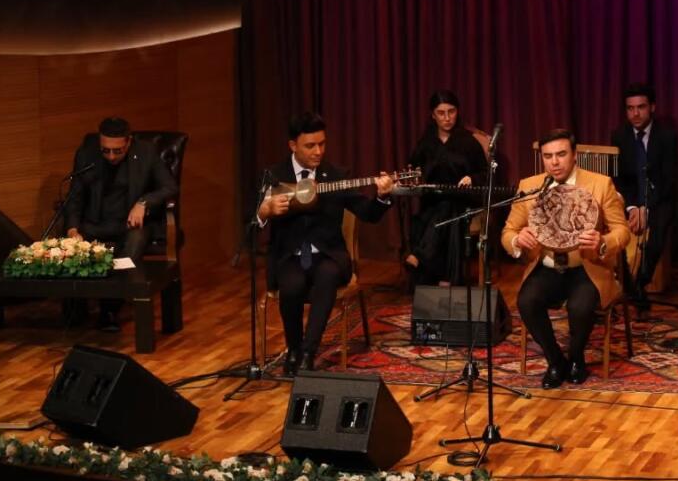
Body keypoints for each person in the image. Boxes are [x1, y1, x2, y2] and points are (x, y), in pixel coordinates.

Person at [258, 112, 395, 374]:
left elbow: (368, 213)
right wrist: (265, 211)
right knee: (292, 284)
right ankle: (294, 350)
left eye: (322, 144)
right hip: (289, 256)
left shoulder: (335, 175)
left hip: (328, 255)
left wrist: (382, 196)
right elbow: (252, 221)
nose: (318, 151)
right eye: (310, 145)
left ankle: (309, 353)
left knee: (327, 276)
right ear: (293, 145)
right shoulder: (274, 176)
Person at [502, 128, 630, 389]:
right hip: (547, 266)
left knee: (580, 307)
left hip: (586, 266)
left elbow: (622, 231)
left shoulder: (600, 184)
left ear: (574, 155)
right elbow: (508, 231)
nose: (555, 162)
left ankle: (576, 358)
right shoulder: (529, 187)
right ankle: (555, 361)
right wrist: (517, 240)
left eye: (561, 154)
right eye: (548, 156)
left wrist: (602, 242)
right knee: (526, 301)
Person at [65, 116, 178, 331]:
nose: (111, 156)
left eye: (117, 151)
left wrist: (143, 203)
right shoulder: (86, 154)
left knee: (132, 245)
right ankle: (76, 311)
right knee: (72, 246)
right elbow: (75, 197)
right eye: (105, 150)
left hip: (130, 224)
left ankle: (109, 309)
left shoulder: (146, 152)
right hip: (96, 223)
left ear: (129, 142)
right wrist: (72, 229)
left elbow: (169, 186)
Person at [404, 90, 489, 286]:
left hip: (463, 198)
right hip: (432, 200)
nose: (447, 118)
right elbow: (413, 170)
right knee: (444, 214)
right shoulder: (426, 143)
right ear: (433, 115)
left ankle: (420, 256)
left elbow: (486, 174)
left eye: (451, 112)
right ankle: (447, 279)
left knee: (449, 205)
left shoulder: (468, 141)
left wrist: (471, 178)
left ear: (457, 112)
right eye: (441, 113)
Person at [610, 82, 677, 305]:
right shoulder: (619, 136)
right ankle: (623, 284)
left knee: (657, 228)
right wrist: (631, 207)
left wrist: (646, 209)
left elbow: (668, 179)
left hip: (659, 199)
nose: (635, 113)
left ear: (652, 107)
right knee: (613, 225)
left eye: (641, 107)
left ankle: (639, 284)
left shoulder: (667, 136)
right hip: (628, 199)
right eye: (630, 108)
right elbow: (619, 178)